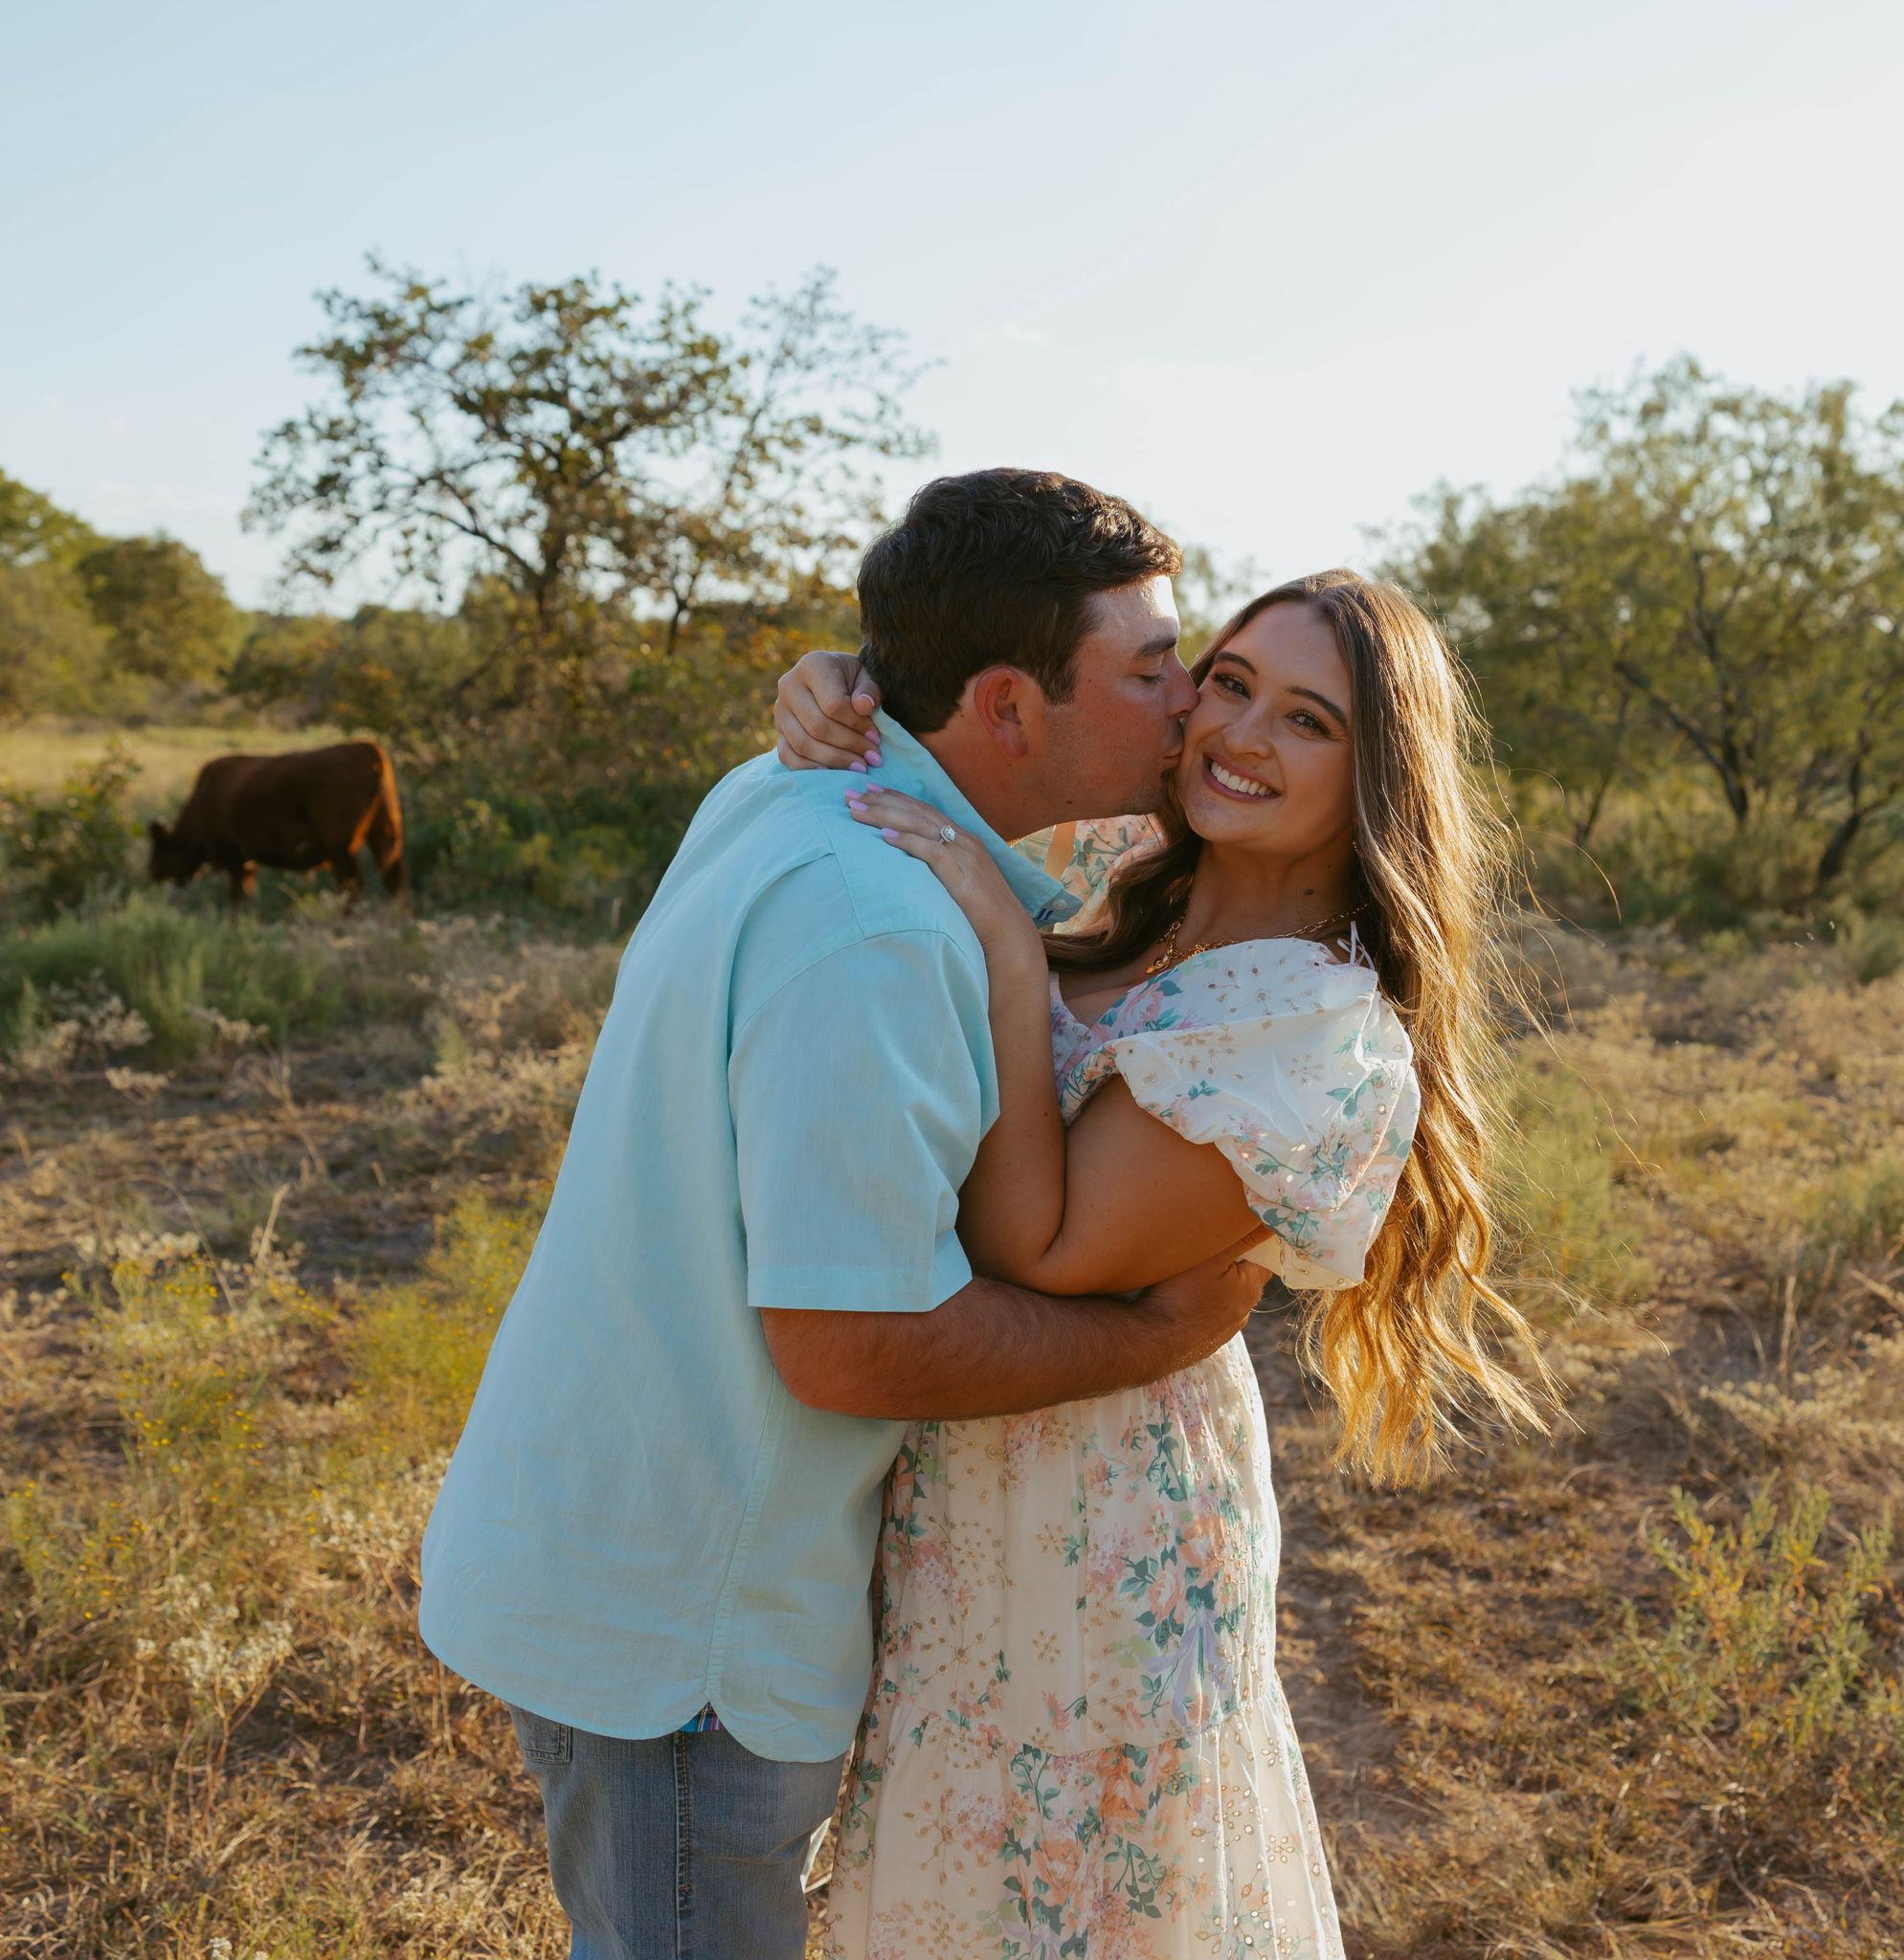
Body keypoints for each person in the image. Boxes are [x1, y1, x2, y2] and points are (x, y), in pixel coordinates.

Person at [416, 468, 1278, 1960]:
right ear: (1005, 706)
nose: (1192, 700)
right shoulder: (877, 920)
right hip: (690, 1624)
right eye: (1152, 669)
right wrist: (1158, 1337)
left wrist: (842, 681)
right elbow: (853, 1345)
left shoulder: (788, 790)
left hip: (631, 1552)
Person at [773, 569, 1551, 1955]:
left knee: (1072, 1894)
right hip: (967, 1466)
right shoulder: (1131, 865)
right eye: (1230, 682)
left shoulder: (1303, 1017)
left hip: (1102, 1500)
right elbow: (988, 733)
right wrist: (842, 687)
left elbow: (1043, 1244)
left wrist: (1011, 959)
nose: (1240, 733)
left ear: (1377, 778)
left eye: (1308, 720)